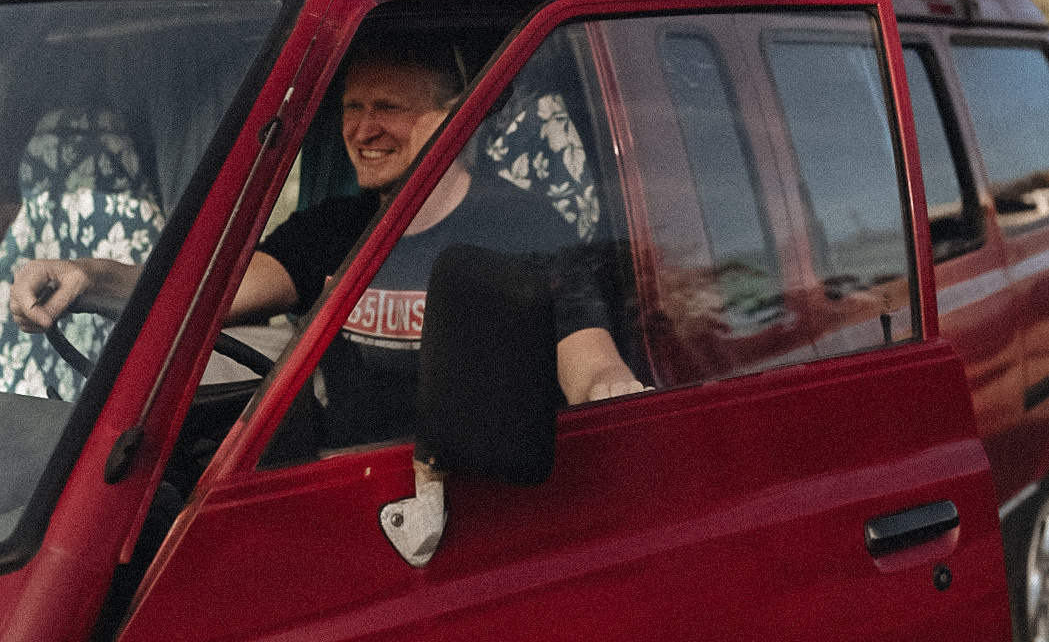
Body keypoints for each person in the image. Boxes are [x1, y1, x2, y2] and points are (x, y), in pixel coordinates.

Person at [10, 33, 644, 450]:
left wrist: (617, 398)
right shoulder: (334, 229)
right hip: (345, 481)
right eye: (352, 108)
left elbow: (589, 366)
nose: (363, 129)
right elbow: (204, 295)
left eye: (389, 107)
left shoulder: (524, 227)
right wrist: (87, 278)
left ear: (454, 118)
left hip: (475, 495)